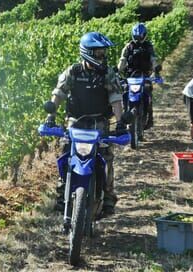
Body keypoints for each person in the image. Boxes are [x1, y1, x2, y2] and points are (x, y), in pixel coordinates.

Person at [45, 32, 125, 216]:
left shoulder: (108, 73)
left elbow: (115, 98)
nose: (102, 56)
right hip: (75, 122)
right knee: (66, 154)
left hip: (100, 123)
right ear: (87, 52)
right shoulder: (73, 71)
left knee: (106, 159)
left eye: (103, 52)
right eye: (98, 53)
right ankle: (61, 193)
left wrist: (120, 122)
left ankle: (108, 198)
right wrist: (51, 115)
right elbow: (59, 93)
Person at [117, 23, 162, 130]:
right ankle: (124, 117)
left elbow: (153, 59)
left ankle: (149, 118)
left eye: (141, 36)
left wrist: (156, 69)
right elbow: (122, 60)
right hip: (130, 77)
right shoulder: (128, 47)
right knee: (124, 93)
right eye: (137, 37)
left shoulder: (149, 46)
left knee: (148, 95)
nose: (139, 39)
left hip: (145, 76)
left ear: (145, 35)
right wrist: (118, 70)